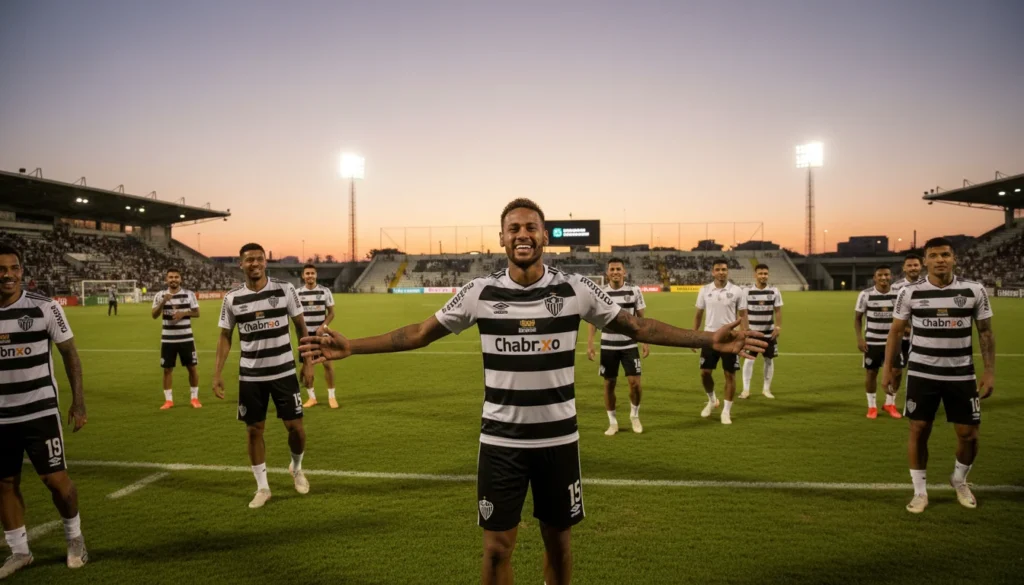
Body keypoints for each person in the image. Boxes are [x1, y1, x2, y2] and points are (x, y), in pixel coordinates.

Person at [298, 199, 765, 585]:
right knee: (497, 550)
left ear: (544, 236)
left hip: (558, 442)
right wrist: (353, 347)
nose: (523, 234)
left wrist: (707, 338)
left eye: (531, 227)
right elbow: (419, 333)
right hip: (499, 443)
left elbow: (638, 325)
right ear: (501, 238)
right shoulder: (479, 292)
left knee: (558, 547)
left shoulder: (575, 288)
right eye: (513, 228)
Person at [883, 237, 995, 514]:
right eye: (933, 255)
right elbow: (896, 331)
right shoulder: (910, 293)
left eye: (945, 254)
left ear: (954, 258)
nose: (940, 260)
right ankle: (920, 492)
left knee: (969, 435)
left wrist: (989, 372)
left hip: (962, 374)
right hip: (922, 373)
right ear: (925, 261)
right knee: (919, 430)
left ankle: (959, 480)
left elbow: (985, 332)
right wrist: (890, 368)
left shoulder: (973, 290)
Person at [0, 243, 88, 578]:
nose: (7, 275)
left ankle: (75, 538)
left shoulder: (44, 307)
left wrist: (78, 403)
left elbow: (70, 354)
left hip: (39, 412)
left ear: (22, 271)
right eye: (1, 269)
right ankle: (20, 551)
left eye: (14, 268)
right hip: (1, 417)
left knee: (56, 481)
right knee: (4, 483)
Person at [212, 243, 314, 509]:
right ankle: (263, 487)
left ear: (265, 262)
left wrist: (308, 363)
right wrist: (217, 373)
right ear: (241, 264)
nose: (254, 264)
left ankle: (297, 467)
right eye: (249, 260)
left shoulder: (284, 289)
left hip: (284, 371)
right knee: (254, 430)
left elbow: (301, 327)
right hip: (251, 376)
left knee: (296, 429)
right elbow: (225, 336)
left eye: (258, 259)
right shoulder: (232, 298)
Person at [586, 257, 649, 435]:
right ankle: (612, 422)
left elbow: (642, 319)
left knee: (635, 383)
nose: (615, 272)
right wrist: (590, 343)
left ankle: (634, 416)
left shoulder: (634, 290)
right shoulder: (599, 292)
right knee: (609, 384)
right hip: (608, 346)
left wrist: (645, 341)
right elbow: (592, 320)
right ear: (607, 273)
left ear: (624, 272)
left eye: (618, 269)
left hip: (629, 345)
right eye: (612, 269)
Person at [692, 259, 748, 424]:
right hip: (709, 338)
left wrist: (744, 336)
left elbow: (743, 315)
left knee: (729, 374)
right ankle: (712, 400)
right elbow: (698, 314)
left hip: (730, 339)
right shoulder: (704, 290)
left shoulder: (737, 291)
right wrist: (694, 336)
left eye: (724, 269)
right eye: (718, 269)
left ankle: (726, 411)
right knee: (705, 373)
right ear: (712, 272)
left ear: (727, 271)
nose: (721, 272)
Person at [854, 266, 904, 419]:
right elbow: (857, 318)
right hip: (873, 342)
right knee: (871, 372)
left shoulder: (899, 294)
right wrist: (860, 339)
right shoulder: (865, 294)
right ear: (874, 278)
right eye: (880, 275)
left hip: (894, 342)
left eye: (887, 275)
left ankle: (890, 403)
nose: (884, 278)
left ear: (891, 276)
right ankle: (872, 406)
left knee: (896, 372)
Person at [152, 268, 202, 410]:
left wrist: (183, 313)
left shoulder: (189, 294)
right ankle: (168, 401)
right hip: (168, 339)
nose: (173, 279)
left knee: (191, 368)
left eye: (176, 277)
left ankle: (194, 398)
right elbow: (154, 315)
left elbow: (197, 313)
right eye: (170, 277)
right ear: (166, 280)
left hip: (186, 338)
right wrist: (163, 302)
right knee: (167, 369)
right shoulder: (160, 295)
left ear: (180, 279)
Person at [297, 264, 337, 409]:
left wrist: (323, 326)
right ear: (303, 276)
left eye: (312, 273)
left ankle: (332, 397)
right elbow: (295, 315)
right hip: (305, 335)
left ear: (316, 275)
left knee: (328, 364)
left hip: (322, 334)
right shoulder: (297, 293)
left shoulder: (325, 291)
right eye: (307, 273)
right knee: (308, 366)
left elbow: (331, 313)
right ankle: (311, 397)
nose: (310, 276)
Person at [740, 264, 782, 399]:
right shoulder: (747, 291)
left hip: (769, 334)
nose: (763, 276)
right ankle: (746, 390)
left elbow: (778, 311)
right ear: (755, 275)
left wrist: (778, 326)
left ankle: (766, 389)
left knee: (769, 360)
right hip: (753, 333)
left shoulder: (774, 291)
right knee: (749, 360)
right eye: (761, 273)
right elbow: (743, 312)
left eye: (765, 273)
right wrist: (745, 329)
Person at [891, 253, 923, 375]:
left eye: (915, 265)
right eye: (909, 265)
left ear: (921, 266)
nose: (913, 268)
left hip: (922, 338)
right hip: (903, 337)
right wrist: (909, 329)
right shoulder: (896, 287)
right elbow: (895, 314)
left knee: (920, 372)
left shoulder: (928, 285)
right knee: (896, 371)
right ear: (904, 268)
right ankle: (891, 395)